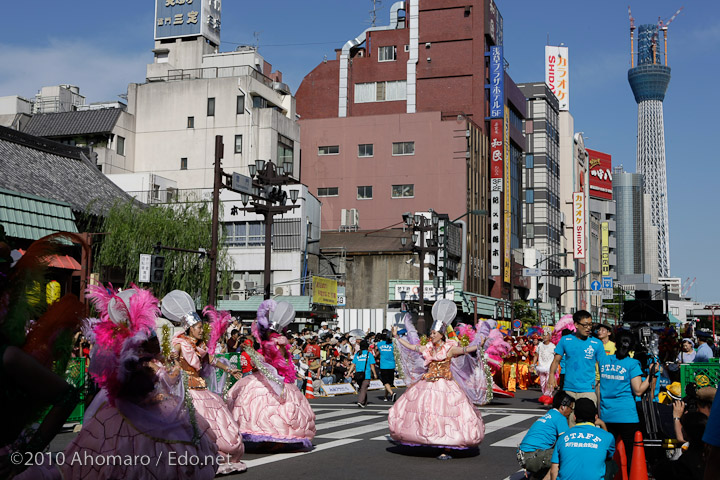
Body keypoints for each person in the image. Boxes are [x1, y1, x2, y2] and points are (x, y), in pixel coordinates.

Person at [18, 284, 223, 479]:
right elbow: (142, 360)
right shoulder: (140, 334)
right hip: (135, 399)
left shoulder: (125, 335)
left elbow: (102, 369)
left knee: (114, 451)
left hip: (133, 399)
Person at [388, 299, 488, 458]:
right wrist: (397, 338)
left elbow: (465, 349)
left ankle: (446, 447)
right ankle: (429, 438)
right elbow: (413, 347)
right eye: (431, 333)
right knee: (425, 412)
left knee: (447, 416)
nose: (431, 335)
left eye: (434, 333)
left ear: (441, 334)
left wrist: (479, 344)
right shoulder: (428, 348)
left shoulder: (449, 348)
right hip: (427, 383)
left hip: (445, 385)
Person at [162, 290, 246, 474]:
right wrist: (173, 359)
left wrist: (229, 369)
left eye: (201, 326)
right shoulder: (180, 342)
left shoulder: (199, 347)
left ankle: (216, 454)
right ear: (190, 328)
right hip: (186, 390)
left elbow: (212, 360)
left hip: (201, 389)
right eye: (198, 327)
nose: (201, 329)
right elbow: (172, 355)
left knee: (217, 422)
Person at [226, 300, 316, 449]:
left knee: (274, 409)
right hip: (265, 378)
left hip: (277, 380)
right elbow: (264, 362)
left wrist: (253, 354)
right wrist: (255, 357)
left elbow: (275, 363)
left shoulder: (276, 344)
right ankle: (267, 439)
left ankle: (277, 439)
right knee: (256, 407)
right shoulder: (269, 344)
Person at [597, 330, 656, 468]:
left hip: (606, 414)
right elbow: (638, 390)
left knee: (606, 452)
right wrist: (651, 375)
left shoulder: (603, 360)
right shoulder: (632, 364)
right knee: (631, 454)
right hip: (627, 416)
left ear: (615, 343)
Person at [548, 310, 606, 411]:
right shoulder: (565, 340)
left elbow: (603, 365)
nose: (588, 328)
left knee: (586, 422)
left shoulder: (597, 343)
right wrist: (551, 375)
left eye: (590, 325)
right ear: (576, 324)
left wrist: (603, 383)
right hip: (569, 389)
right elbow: (556, 361)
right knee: (569, 422)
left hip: (588, 389)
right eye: (585, 325)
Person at [549, 398, 616, 480]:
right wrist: (603, 424)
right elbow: (609, 455)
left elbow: (553, 470)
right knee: (611, 463)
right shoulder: (608, 436)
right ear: (596, 417)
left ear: (574, 417)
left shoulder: (563, 437)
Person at [517, 391, 574, 480]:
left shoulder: (550, 414)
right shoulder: (560, 418)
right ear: (563, 407)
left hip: (524, 456)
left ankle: (538, 476)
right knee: (565, 454)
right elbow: (566, 441)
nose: (571, 411)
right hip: (532, 456)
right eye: (571, 408)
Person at [346, 339, 377, 408]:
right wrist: (374, 374)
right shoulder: (369, 354)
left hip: (358, 374)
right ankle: (360, 401)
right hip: (366, 374)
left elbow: (353, 364)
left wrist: (349, 373)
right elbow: (372, 365)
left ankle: (364, 401)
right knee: (363, 388)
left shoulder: (357, 354)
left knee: (362, 388)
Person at [535, 327, 557, 405]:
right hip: (541, 367)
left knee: (549, 382)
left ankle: (547, 398)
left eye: (546, 335)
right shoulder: (540, 345)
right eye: (543, 335)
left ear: (550, 336)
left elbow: (556, 357)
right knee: (542, 383)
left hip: (550, 368)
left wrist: (555, 367)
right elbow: (536, 355)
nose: (545, 337)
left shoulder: (553, 346)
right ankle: (546, 396)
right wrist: (532, 364)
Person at [375, 330, 397, 402]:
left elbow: (377, 352)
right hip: (392, 365)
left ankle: (392, 393)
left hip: (384, 365)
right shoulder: (393, 344)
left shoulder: (379, 344)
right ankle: (385, 396)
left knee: (385, 382)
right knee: (389, 382)